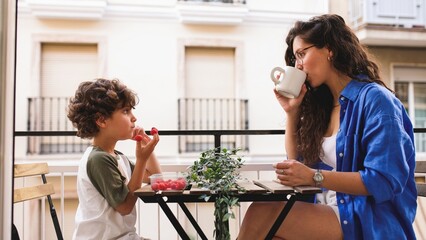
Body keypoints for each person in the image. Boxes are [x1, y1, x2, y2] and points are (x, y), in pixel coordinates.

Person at [238, 14, 417, 240]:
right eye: (295, 58)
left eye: (302, 54)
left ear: (330, 49)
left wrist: (315, 177)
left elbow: (384, 180)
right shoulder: (324, 105)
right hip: (329, 212)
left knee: (262, 213)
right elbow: (299, 164)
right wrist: (292, 112)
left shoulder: (376, 101)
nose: (298, 65)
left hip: (367, 220)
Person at [67, 78, 161, 240]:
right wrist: (140, 160)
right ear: (102, 120)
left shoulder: (116, 157)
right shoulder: (98, 159)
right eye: (125, 111)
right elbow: (124, 206)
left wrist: (148, 149)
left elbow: (155, 178)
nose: (134, 118)